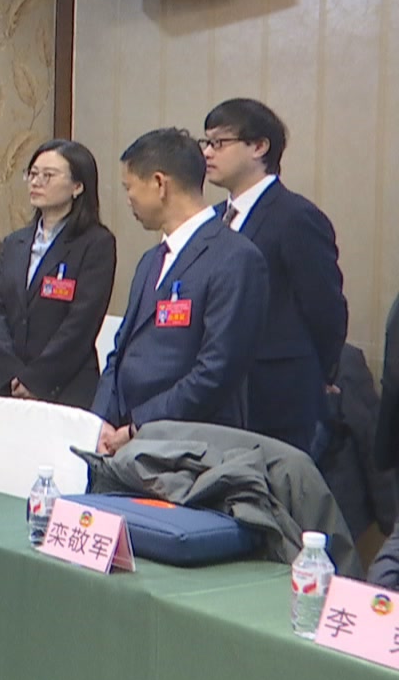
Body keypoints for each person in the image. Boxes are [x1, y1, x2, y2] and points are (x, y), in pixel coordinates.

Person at [93, 128, 269, 453]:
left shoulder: (235, 257)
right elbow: (121, 350)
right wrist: (102, 419)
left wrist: (139, 426)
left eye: (129, 187)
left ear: (159, 183)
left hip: (189, 448)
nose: (128, 198)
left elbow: (216, 371)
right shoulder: (151, 260)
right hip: (124, 442)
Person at [202, 98, 346, 455]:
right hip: (219, 395)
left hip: (279, 395)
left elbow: (325, 308)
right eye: (205, 142)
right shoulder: (212, 218)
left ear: (259, 147)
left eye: (219, 143)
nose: (207, 153)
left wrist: (321, 372)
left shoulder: (295, 216)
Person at [0, 139, 118, 409]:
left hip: (66, 386)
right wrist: (13, 374)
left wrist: (35, 380)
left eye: (48, 175)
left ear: (78, 186)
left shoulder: (96, 243)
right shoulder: (15, 242)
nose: (36, 182)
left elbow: (81, 323)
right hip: (10, 386)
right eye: (33, 174)